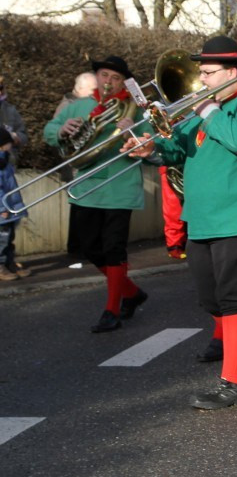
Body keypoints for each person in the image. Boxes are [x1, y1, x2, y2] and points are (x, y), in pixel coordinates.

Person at [125, 36, 237, 409]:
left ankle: (232, 384)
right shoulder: (203, 108)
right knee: (211, 300)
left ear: (232, 72)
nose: (202, 80)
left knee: (234, 298)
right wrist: (150, 150)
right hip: (202, 216)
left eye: (209, 73)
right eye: (202, 73)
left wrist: (210, 109)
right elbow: (178, 147)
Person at [44, 55, 150, 333]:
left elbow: (153, 145)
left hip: (121, 186)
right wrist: (61, 130)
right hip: (87, 187)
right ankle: (132, 293)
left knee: (114, 248)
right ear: (96, 77)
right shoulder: (79, 106)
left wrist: (136, 132)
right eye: (105, 75)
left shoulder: (136, 110)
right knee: (90, 248)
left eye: (115, 78)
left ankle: (111, 310)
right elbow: (50, 130)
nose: (109, 82)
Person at [0, 127, 27, 280]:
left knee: (9, 239)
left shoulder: (5, 161)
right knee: (2, 240)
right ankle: (1, 266)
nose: (12, 144)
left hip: (9, 208)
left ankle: (10, 263)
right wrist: (2, 207)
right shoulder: (1, 164)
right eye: (9, 142)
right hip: (4, 210)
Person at [0, 74, 28, 166]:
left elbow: (24, 135)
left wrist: (16, 137)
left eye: (1, 88)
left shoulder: (10, 110)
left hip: (7, 165)